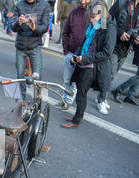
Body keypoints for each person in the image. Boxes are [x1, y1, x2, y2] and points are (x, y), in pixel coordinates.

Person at [60, 0, 116, 129]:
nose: (90, 20)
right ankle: (79, 115)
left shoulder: (109, 27)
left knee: (81, 93)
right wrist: (76, 56)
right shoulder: (93, 25)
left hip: (91, 66)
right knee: (81, 91)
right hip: (83, 61)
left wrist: (83, 59)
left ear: (101, 14)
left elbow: (107, 53)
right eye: (89, 17)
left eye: (93, 17)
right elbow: (84, 43)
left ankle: (76, 121)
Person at [95, 0, 139, 113]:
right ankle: (101, 99)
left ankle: (101, 96)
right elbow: (107, 19)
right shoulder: (121, 3)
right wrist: (119, 32)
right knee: (110, 74)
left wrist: (135, 37)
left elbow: (134, 28)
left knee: (112, 75)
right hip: (113, 44)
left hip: (126, 48)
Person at [55, 0, 91, 110]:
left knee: (76, 82)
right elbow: (65, 32)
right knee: (67, 80)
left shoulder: (96, 14)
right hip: (70, 52)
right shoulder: (73, 12)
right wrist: (65, 51)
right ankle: (64, 99)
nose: (82, 1)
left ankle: (68, 101)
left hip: (84, 56)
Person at [11, 0, 50, 99]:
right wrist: (18, 23)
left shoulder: (44, 5)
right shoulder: (19, 5)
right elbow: (12, 26)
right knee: (20, 76)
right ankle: (20, 100)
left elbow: (45, 27)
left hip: (35, 45)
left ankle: (37, 102)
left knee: (37, 78)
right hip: (21, 46)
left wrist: (34, 28)